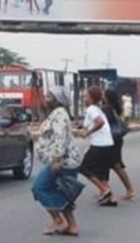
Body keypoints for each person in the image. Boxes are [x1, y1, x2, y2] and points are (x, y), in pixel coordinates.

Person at [33, 86, 83, 237]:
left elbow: (61, 138)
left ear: (58, 100)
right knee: (61, 191)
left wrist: (56, 160)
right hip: (64, 160)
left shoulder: (60, 114)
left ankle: (57, 220)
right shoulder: (56, 114)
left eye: (49, 96)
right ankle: (72, 226)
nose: (46, 98)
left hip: (62, 161)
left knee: (39, 188)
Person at [80, 86, 118, 207]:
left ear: (91, 99)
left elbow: (100, 122)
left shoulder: (91, 109)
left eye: (86, 96)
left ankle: (104, 190)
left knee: (84, 168)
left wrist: (87, 132)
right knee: (102, 172)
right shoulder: (97, 109)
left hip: (99, 144)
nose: (84, 99)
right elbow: (94, 122)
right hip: (108, 143)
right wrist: (83, 127)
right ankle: (111, 198)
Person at [103, 88, 137, 200]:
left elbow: (104, 124)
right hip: (116, 139)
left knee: (116, 165)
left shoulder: (107, 109)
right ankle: (104, 189)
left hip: (111, 140)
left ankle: (130, 189)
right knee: (107, 165)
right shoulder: (115, 108)